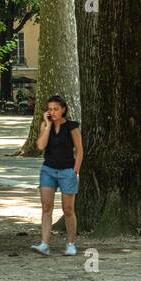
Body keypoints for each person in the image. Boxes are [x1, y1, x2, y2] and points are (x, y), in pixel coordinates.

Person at [31, 95, 82, 256]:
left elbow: (80, 150)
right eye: (50, 109)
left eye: (56, 109)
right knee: (46, 207)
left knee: (68, 209)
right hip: (48, 170)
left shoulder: (72, 127)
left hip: (67, 171)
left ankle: (71, 243)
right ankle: (45, 244)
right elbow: (40, 146)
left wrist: (76, 169)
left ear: (63, 110)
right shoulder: (45, 125)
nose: (52, 112)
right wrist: (47, 126)